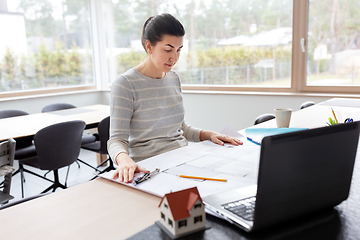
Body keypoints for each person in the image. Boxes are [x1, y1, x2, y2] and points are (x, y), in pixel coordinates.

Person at [108, 13, 242, 183]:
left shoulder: (173, 78)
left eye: (179, 50)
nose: (175, 58)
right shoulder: (125, 84)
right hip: (150, 167)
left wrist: (209, 135)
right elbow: (116, 140)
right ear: (149, 46)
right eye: (168, 49)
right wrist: (124, 159)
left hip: (182, 159)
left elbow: (180, 129)